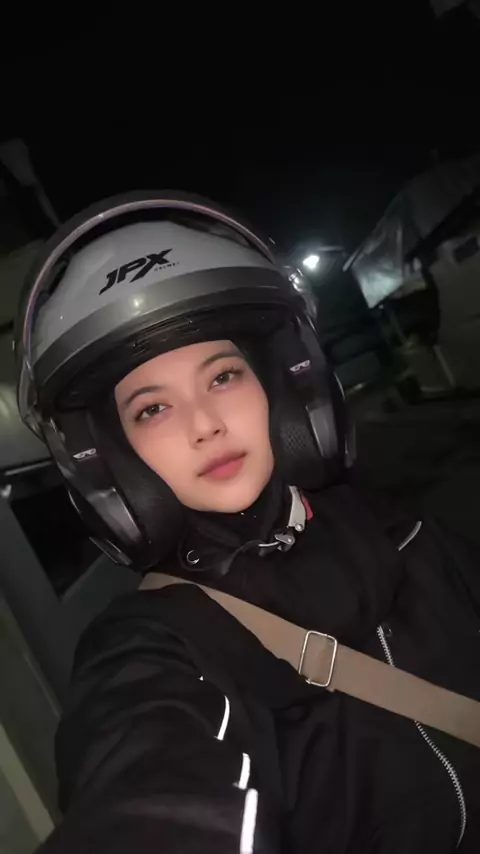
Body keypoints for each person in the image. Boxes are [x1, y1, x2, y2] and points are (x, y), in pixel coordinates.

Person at [16, 192, 480, 854]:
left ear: (282, 385)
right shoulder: (154, 648)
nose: (205, 425)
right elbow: (146, 787)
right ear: (112, 459)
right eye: (152, 409)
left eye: (223, 376)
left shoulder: (406, 534)